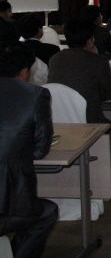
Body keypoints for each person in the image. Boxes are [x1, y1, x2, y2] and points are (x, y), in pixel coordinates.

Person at [47, 18, 111, 191]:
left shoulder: (55, 59)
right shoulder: (98, 61)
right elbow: (109, 94)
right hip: (89, 124)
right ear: (89, 41)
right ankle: (105, 176)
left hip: (60, 124)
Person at [0, 42, 58, 258]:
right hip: (7, 200)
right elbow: (40, 150)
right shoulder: (35, 95)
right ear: (25, 71)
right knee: (46, 213)